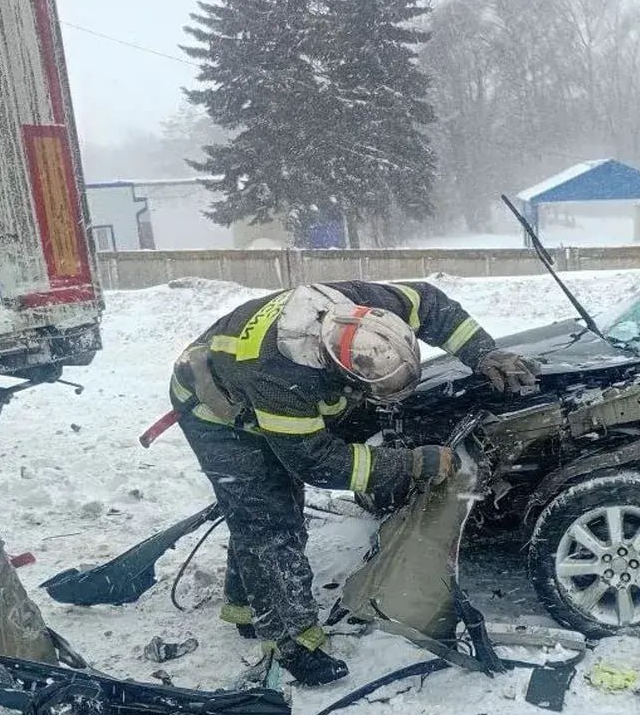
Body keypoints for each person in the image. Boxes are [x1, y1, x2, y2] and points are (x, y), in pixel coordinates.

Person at [169, 280, 540, 685]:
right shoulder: (281, 377)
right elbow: (319, 463)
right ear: (341, 372)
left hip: (253, 382)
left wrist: (484, 353)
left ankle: (246, 607)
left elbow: (432, 305)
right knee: (269, 517)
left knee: (261, 512)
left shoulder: (372, 306)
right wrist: (411, 463)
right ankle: (290, 641)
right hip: (216, 414)